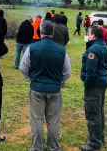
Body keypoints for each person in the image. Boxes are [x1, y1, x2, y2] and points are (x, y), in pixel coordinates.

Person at [19, 20, 71, 151]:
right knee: (53, 120)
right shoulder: (61, 50)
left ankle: (37, 147)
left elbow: (23, 68)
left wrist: (32, 79)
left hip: (37, 89)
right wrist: (58, 81)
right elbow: (67, 72)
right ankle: (53, 147)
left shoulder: (32, 48)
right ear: (52, 32)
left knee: (36, 119)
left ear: (40, 31)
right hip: (54, 90)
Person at [79, 26, 107, 151]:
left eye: (89, 33)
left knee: (93, 113)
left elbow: (91, 71)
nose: (89, 35)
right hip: (102, 82)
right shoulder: (104, 47)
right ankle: (100, 136)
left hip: (94, 84)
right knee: (99, 110)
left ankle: (94, 143)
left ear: (93, 35)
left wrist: (87, 84)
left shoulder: (93, 50)